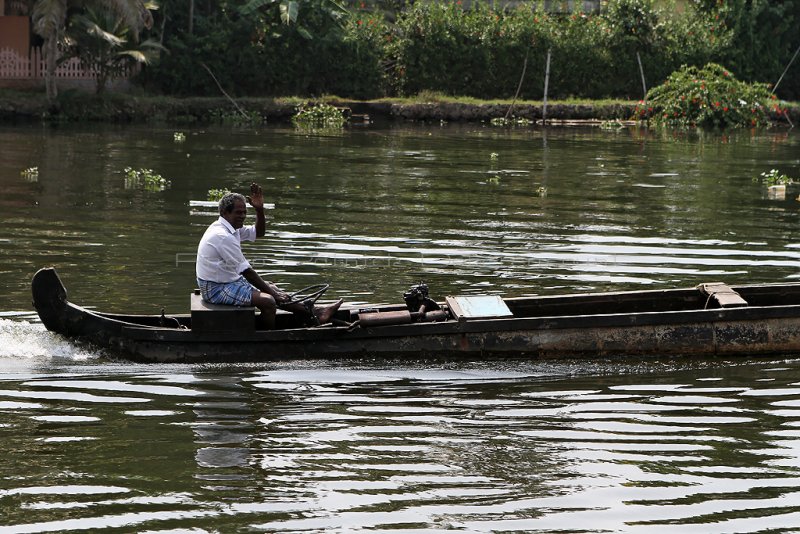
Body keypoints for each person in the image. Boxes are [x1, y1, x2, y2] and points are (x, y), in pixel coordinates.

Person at [196, 183, 342, 329]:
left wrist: (259, 210)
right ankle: (266, 338)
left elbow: (258, 233)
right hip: (216, 288)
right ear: (224, 213)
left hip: (227, 281)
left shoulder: (231, 228)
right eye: (238, 213)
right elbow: (247, 271)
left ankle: (316, 312)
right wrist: (272, 294)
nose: (243, 216)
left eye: (245, 212)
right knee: (269, 301)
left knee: (272, 288)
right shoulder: (222, 236)